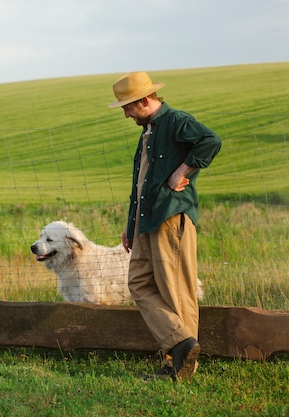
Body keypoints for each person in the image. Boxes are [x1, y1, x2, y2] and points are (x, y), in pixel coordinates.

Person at [108, 71, 221, 381]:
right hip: (146, 221)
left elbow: (211, 141)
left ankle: (180, 365)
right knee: (140, 283)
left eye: (128, 107)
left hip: (170, 217)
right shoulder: (149, 130)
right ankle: (180, 342)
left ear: (145, 100)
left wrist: (181, 171)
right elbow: (142, 181)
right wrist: (131, 224)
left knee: (175, 290)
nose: (126, 113)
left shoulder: (175, 121)